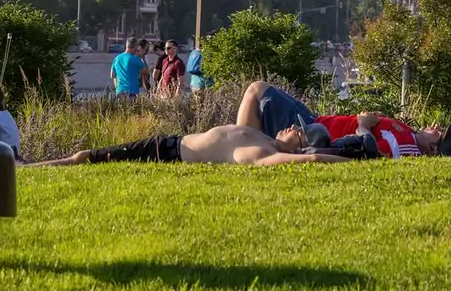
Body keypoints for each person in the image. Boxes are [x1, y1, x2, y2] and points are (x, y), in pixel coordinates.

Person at [236, 80, 444, 158]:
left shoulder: (408, 147)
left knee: (257, 90)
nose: (436, 126)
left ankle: (239, 149)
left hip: (312, 131)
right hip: (316, 119)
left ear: (433, 148)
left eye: (439, 132)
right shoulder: (409, 134)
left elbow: (372, 150)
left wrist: (363, 124)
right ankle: (244, 148)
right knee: (257, 92)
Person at [29, 122, 349, 168]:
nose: (294, 127)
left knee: (87, 157)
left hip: (167, 152)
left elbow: (310, 160)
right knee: (89, 155)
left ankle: (31, 168)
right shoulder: (265, 136)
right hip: (170, 140)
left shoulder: (264, 151)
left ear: (300, 147)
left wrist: (339, 161)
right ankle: (29, 166)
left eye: (302, 132)